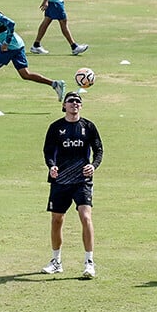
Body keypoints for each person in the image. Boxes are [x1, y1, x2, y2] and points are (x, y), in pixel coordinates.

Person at [40, 92, 103, 279]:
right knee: (57, 220)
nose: (75, 104)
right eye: (71, 101)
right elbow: (48, 151)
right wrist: (51, 166)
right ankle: (56, 261)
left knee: (86, 217)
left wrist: (93, 165)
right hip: (60, 181)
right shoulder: (56, 127)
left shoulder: (88, 127)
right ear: (64, 106)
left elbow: (98, 149)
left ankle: (89, 262)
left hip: (82, 181)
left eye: (78, 101)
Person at [0, 0, 66, 111]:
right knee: (25, 74)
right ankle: (55, 84)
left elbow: (11, 24)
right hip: (18, 45)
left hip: (11, 48)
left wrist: (6, 43)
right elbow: (3, 32)